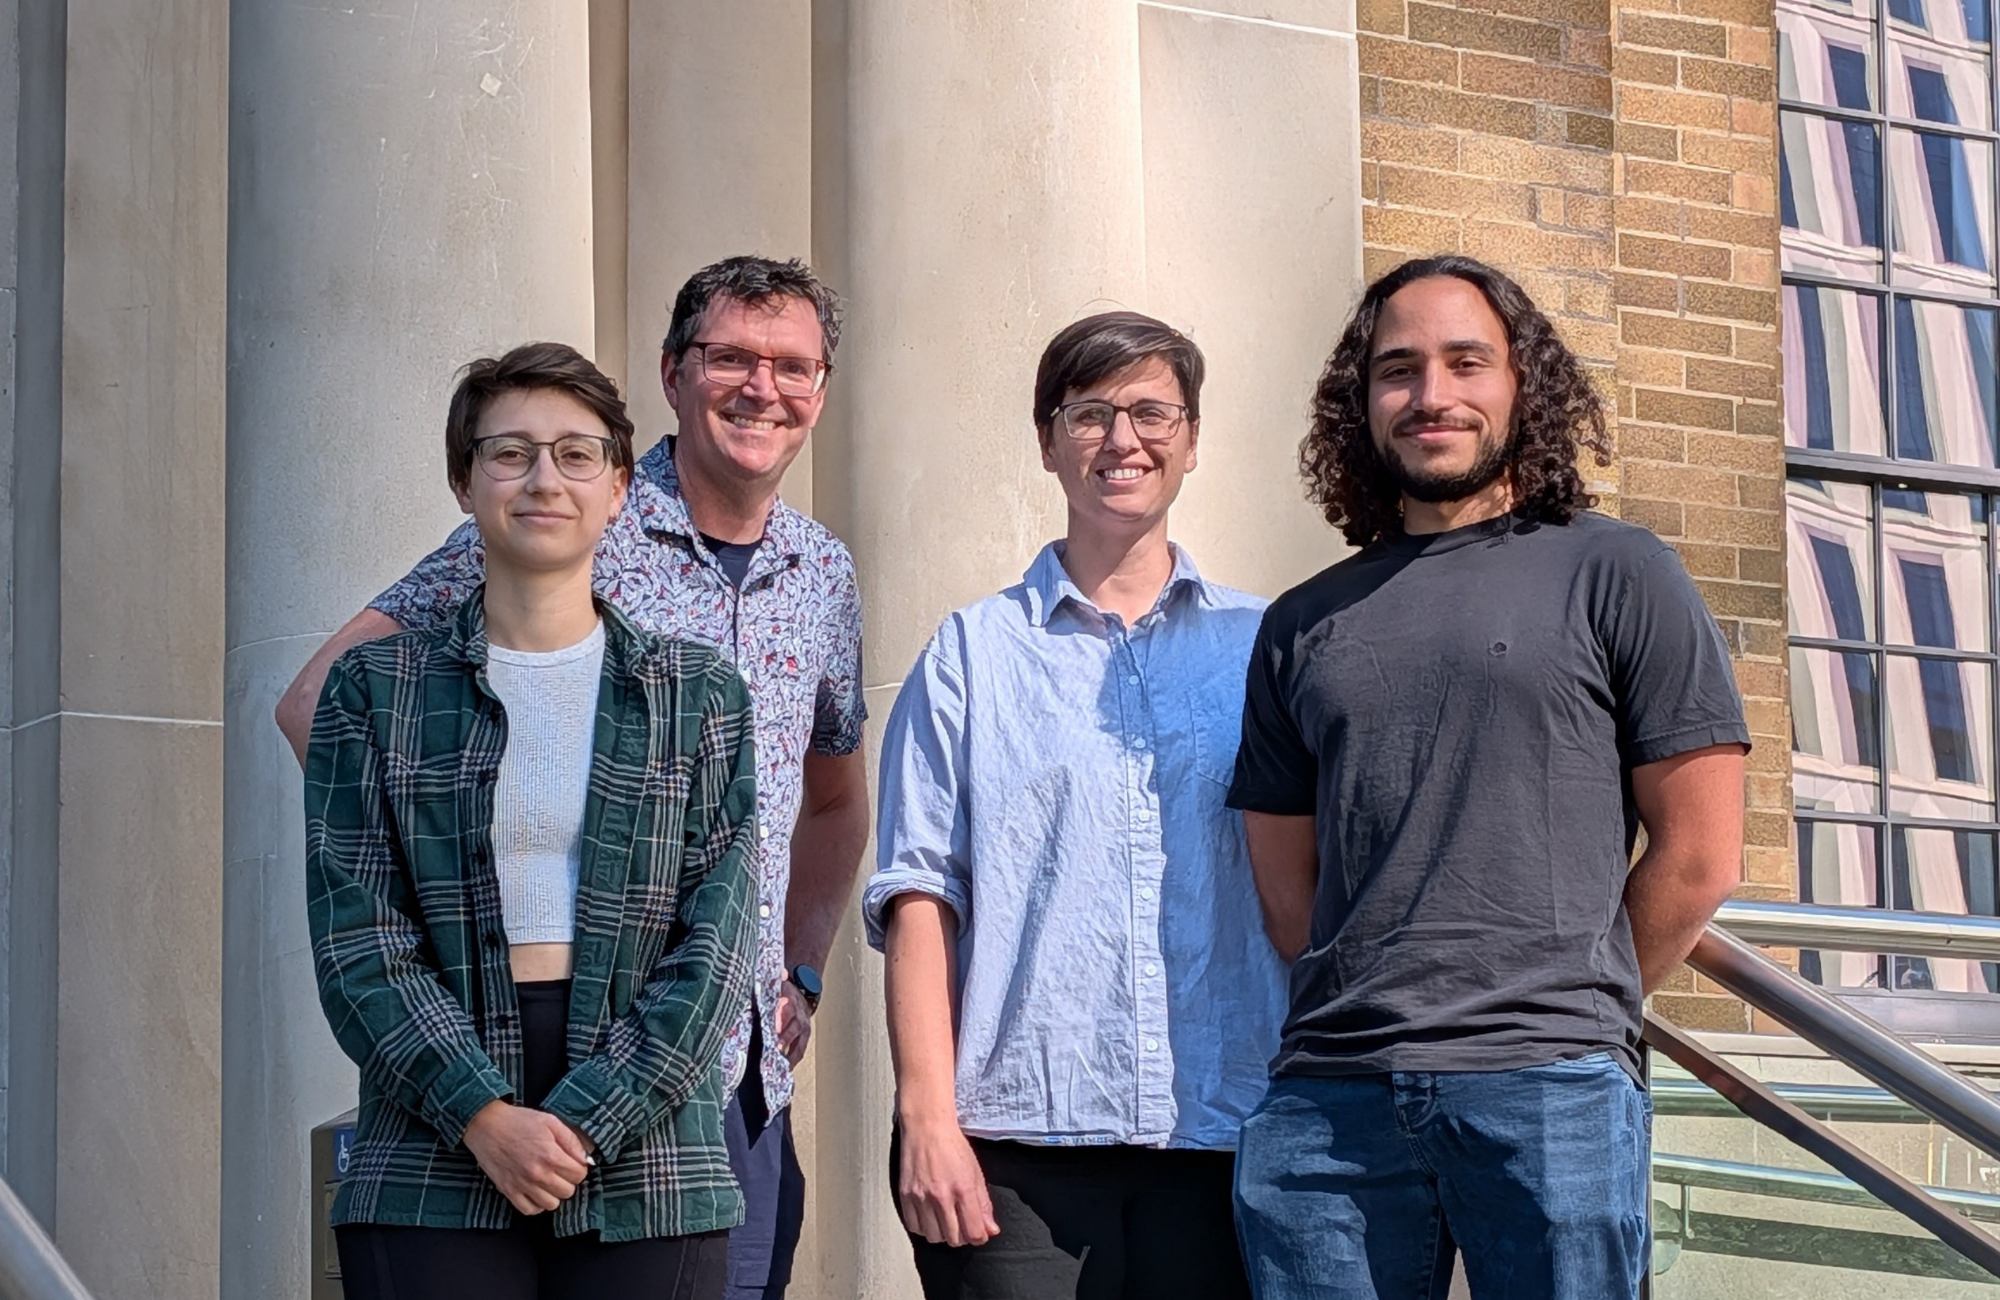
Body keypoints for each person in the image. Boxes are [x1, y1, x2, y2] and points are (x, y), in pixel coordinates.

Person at [277, 256, 868, 1300]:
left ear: (820, 389)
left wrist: (802, 970)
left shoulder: (822, 570)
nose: (760, 388)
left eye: (791, 366)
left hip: (707, 1071)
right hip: (494, 1044)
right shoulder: (565, 504)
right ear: (673, 373)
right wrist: (460, 892)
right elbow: (318, 704)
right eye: (729, 356)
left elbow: (830, 796)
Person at [1226, 255, 1749, 1300]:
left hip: (1549, 1089)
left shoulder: (1617, 570)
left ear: (1521, 384)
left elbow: (1697, 853)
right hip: (1329, 1104)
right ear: (1359, 402)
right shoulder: (1301, 621)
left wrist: (1566, 998)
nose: (1432, 395)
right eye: (1397, 369)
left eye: (1466, 362)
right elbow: (1286, 888)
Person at [863, 311, 1288, 1300]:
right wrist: (927, 1116)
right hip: (1015, 1141)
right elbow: (918, 895)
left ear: (1189, 438)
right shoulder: (970, 653)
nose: (1120, 440)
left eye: (1148, 412)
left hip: (1224, 1129)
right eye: (1089, 413)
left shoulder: (1264, 648)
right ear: (1047, 439)